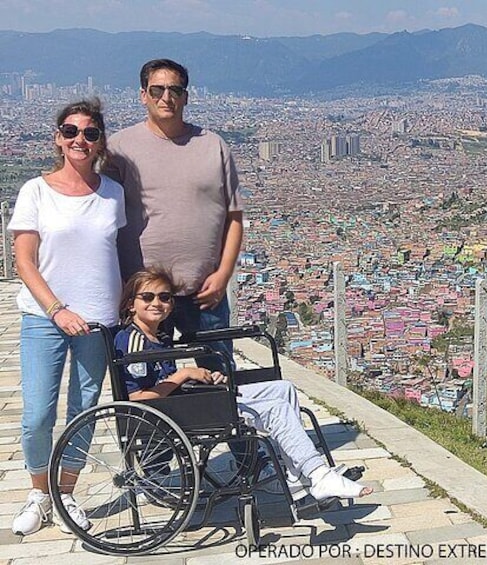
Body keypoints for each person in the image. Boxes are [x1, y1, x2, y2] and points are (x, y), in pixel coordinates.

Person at [113, 267, 372, 502]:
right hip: (172, 414)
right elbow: (139, 399)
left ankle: (296, 473)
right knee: (275, 410)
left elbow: (164, 382)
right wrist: (184, 375)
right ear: (130, 305)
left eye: (165, 297)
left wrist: (200, 376)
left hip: (183, 402)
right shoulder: (133, 342)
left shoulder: (157, 335)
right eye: (147, 297)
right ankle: (318, 474)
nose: (157, 303)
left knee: (283, 389)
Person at [7, 99, 125, 535]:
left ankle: (67, 492)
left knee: (83, 410)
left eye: (90, 133)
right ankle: (40, 492)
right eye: (71, 131)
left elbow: (118, 253)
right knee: (38, 412)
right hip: (44, 316)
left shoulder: (113, 193)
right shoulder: (35, 191)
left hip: (99, 319)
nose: (80, 139)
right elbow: (24, 261)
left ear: (100, 141)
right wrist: (57, 309)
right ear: (58, 138)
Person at [102, 58, 242, 369]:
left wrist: (223, 275)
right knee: (146, 382)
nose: (167, 97)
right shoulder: (120, 149)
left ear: (186, 96)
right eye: (158, 90)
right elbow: (100, 213)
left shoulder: (213, 146)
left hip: (205, 290)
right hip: (145, 294)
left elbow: (235, 217)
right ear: (143, 95)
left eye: (175, 89)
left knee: (219, 376)